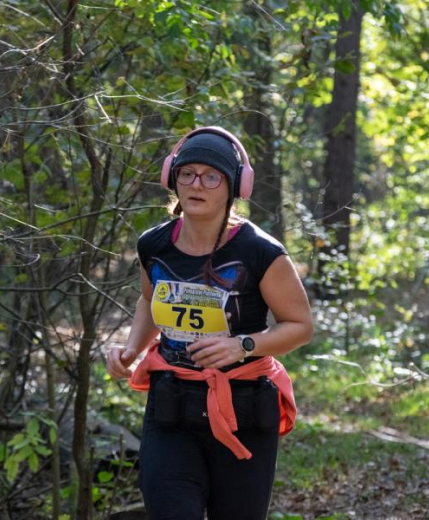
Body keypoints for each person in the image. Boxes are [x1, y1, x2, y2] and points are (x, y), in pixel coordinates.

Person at [106, 126, 313, 520]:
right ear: (172, 178)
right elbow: (150, 301)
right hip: (171, 409)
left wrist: (242, 345)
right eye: (187, 173)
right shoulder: (154, 244)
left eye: (211, 175)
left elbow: (300, 326)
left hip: (245, 410)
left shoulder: (260, 251)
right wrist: (131, 350)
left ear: (235, 186)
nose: (196, 184)